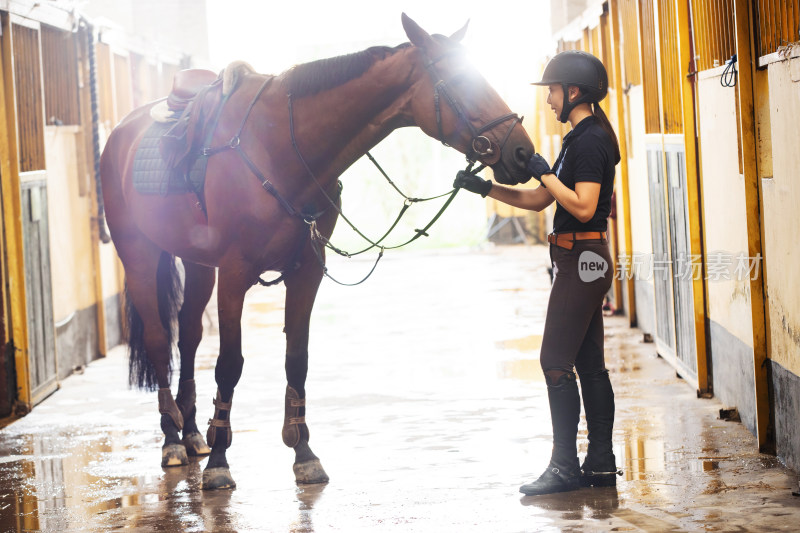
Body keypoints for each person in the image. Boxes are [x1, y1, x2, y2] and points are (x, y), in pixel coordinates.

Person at [454, 50, 621, 496]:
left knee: (553, 361)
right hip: (581, 259)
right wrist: (486, 187)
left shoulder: (588, 143)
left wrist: (545, 173)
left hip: (581, 261)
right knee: (589, 365)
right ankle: (601, 464)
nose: (548, 99)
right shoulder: (579, 138)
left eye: (552, 90)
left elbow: (582, 205)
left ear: (574, 91)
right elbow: (541, 200)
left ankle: (566, 467)